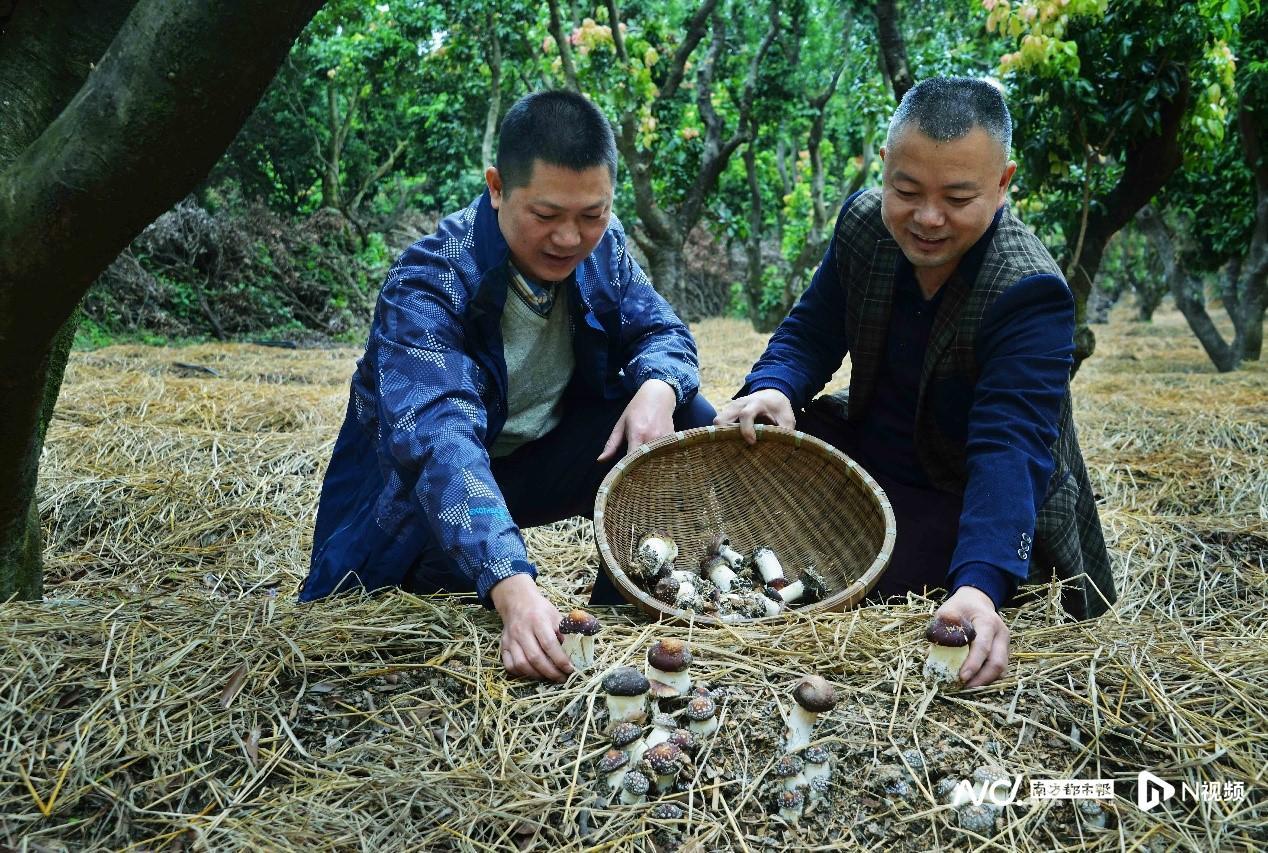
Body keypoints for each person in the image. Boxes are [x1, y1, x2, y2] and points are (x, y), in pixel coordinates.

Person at [300, 90, 714, 682]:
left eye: (591, 215)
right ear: (497, 187)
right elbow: (440, 443)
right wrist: (513, 587)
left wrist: (658, 387)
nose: (570, 239)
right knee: (431, 619)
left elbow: (663, 332)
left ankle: (621, 604)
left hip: (535, 461)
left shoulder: (607, 245)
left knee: (689, 414)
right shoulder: (429, 282)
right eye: (546, 216)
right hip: (426, 507)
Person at [715, 77, 1116, 687]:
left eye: (958, 198)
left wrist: (979, 586)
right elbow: (812, 331)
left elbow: (1010, 449)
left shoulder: (1029, 290)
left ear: (1004, 184)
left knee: (852, 572)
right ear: (885, 168)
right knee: (721, 449)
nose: (927, 219)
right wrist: (774, 387)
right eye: (906, 191)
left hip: (959, 494)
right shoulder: (862, 226)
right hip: (871, 456)